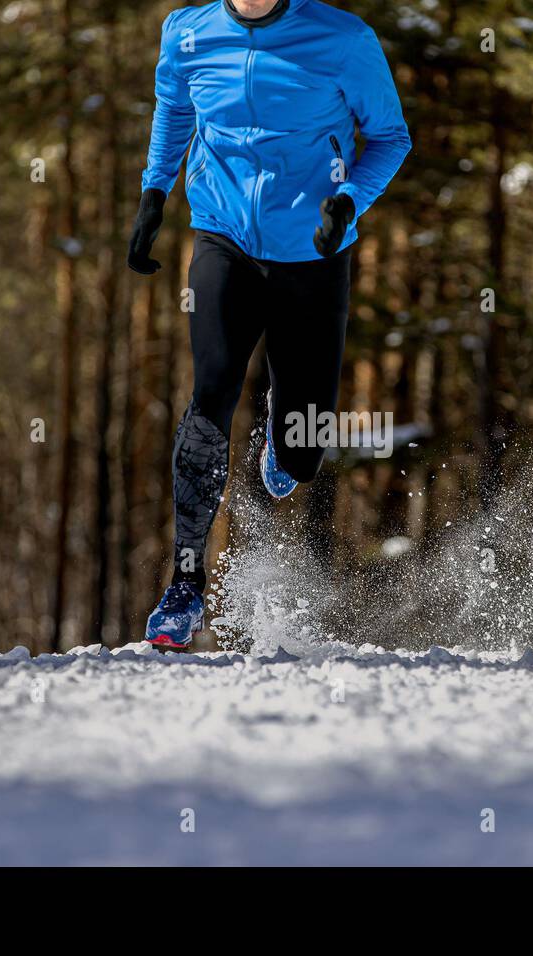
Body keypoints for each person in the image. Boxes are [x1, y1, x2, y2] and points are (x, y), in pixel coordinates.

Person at [128, 0, 412, 650]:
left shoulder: (342, 38)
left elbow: (391, 137)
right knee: (213, 390)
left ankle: (283, 442)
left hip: (313, 249)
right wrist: (153, 193)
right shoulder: (188, 32)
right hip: (222, 235)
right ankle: (185, 586)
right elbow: (175, 109)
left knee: (302, 452)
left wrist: (346, 202)